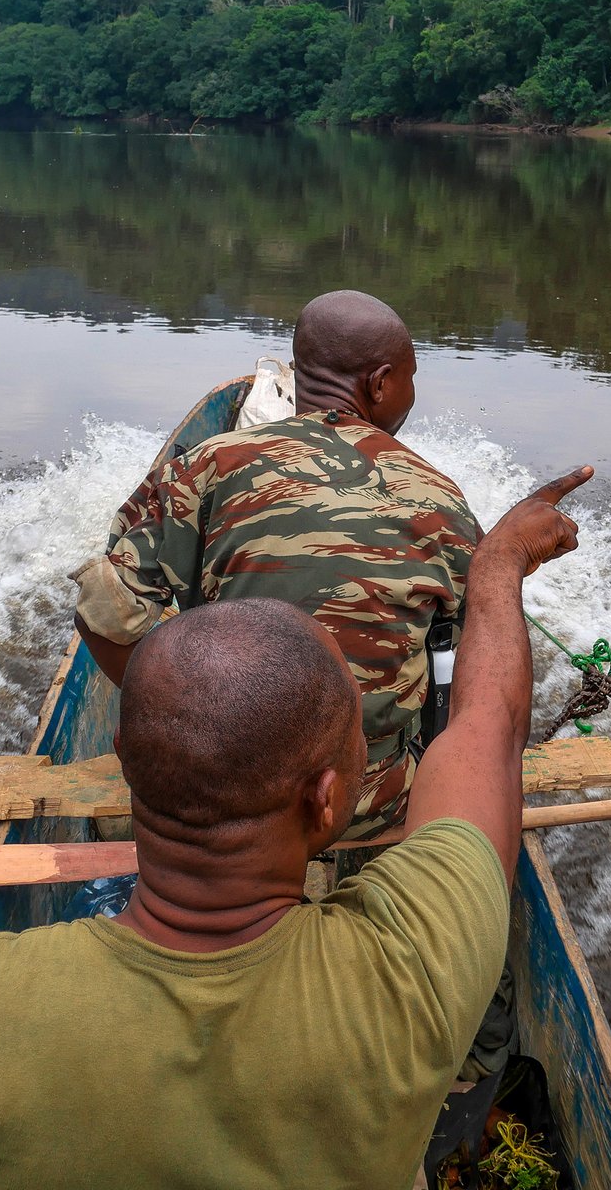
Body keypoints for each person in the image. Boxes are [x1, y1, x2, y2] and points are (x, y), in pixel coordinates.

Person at [0, 468, 592, 1190]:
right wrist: (498, 562)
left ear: (125, 766)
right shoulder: (412, 969)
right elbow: (487, 727)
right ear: (326, 802)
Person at [72, 289, 477, 840]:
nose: (410, 392)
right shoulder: (441, 498)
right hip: (362, 804)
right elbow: (477, 652)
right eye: (410, 377)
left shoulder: (207, 465)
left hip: (222, 793)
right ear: (380, 383)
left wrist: (173, 721)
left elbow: (103, 612)